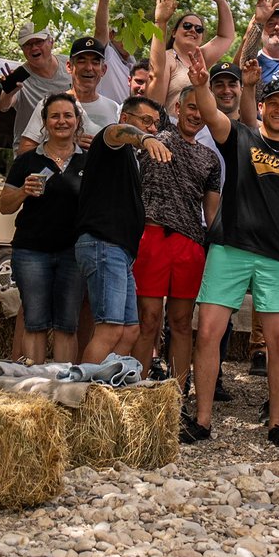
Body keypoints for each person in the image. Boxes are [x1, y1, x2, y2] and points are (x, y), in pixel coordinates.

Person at [189, 75, 279, 448]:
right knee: (207, 334)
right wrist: (201, 84)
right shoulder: (240, 137)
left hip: (277, 257)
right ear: (262, 107)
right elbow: (209, 112)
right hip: (228, 248)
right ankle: (202, 421)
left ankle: (277, 424)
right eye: (274, 103)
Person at [133, 73, 223, 391]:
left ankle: (178, 393)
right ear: (177, 107)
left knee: (182, 322)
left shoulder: (211, 159)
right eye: (191, 107)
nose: (196, 114)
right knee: (149, 319)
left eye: (203, 109)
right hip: (152, 235)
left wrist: (220, 248)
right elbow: (157, 72)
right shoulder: (158, 135)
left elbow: (212, 214)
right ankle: (136, 391)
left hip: (190, 243)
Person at [75, 96, 175, 363]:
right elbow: (116, 132)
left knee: (130, 330)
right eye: (145, 121)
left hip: (120, 251)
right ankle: (83, 396)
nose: (152, 128)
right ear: (125, 118)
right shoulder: (111, 139)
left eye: (155, 124)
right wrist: (144, 138)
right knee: (109, 329)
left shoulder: (131, 158)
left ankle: (107, 390)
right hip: (103, 244)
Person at [0, 92, 86, 364]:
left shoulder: (90, 161)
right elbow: (4, 206)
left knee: (67, 324)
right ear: (45, 122)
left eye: (67, 115)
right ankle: (36, 390)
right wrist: (24, 191)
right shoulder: (27, 161)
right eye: (55, 116)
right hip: (31, 251)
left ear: (77, 121)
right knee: (34, 321)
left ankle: (62, 386)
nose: (62, 121)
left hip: (73, 252)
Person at [17, 37, 121, 152]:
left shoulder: (114, 109)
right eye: (81, 61)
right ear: (69, 66)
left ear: (103, 70)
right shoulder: (48, 105)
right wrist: (65, 143)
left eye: (95, 62)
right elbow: (24, 151)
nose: (88, 68)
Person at [0, 25, 70, 132]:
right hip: (31, 146)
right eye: (27, 44)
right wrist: (9, 91)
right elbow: (3, 106)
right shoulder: (19, 76)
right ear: (22, 49)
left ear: (51, 42)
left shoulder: (70, 65)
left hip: (67, 142)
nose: (34, 48)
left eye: (39, 42)